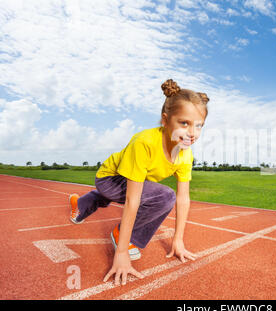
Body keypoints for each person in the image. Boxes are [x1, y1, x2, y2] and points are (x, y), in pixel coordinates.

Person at [68, 79, 209, 286]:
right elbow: (133, 200)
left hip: (132, 182)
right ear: (165, 120)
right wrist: (122, 250)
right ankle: (120, 231)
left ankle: (82, 203)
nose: (192, 133)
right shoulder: (144, 142)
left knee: (162, 196)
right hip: (110, 178)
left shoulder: (185, 154)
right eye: (184, 123)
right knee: (164, 196)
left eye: (199, 126)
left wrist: (178, 240)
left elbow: (183, 198)